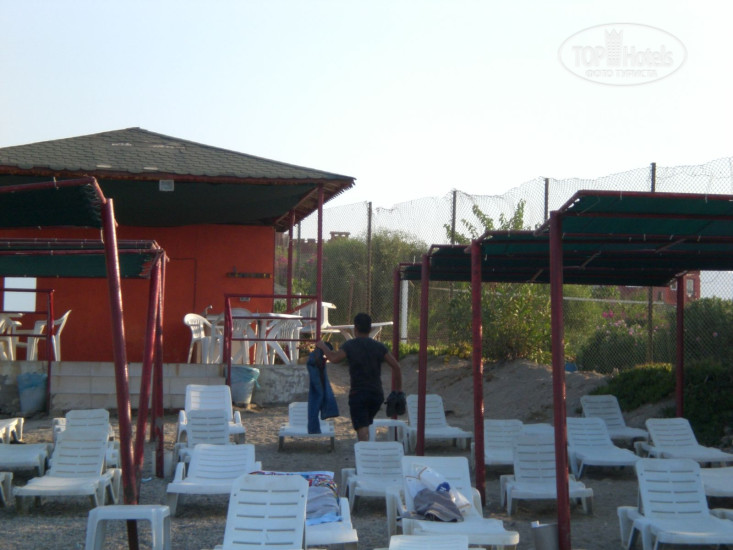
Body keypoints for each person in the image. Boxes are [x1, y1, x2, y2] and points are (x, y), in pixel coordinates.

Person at [316, 312, 402, 441]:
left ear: (355, 329)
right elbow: (397, 367)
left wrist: (323, 346)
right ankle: (367, 444)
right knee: (366, 422)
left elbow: (334, 358)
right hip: (377, 394)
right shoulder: (379, 346)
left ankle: (365, 449)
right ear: (370, 329)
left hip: (358, 393)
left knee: (362, 427)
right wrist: (398, 391)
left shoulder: (350, 345)